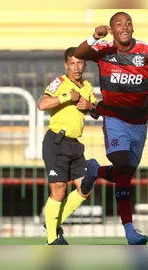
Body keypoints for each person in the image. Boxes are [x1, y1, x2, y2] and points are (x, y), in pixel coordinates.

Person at [74, 11, 148, 245]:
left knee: (124, 173)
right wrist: (93, 37)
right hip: (114, 118)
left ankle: (95, 171)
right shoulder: (105, 50)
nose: (125, 26)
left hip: (139, 122)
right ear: (112, 28)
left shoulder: (146, 50)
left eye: (128, 22)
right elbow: (80, 53)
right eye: (118, 23)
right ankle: (130, 231)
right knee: (122, 168)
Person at [38, 47, 98, 245]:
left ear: (85, 64)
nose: (76, 67)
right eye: (72, 63)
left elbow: (97, 111)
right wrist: (66, 97)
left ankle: (53, 223)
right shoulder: (60, 83)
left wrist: (90, 106)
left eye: (80, 63)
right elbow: (42, 103)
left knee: (85, 187)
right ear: (66, 65)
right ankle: (52, 240)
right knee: (59, 190)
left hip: (74, 144)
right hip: (56, 141)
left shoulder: (88, 87)